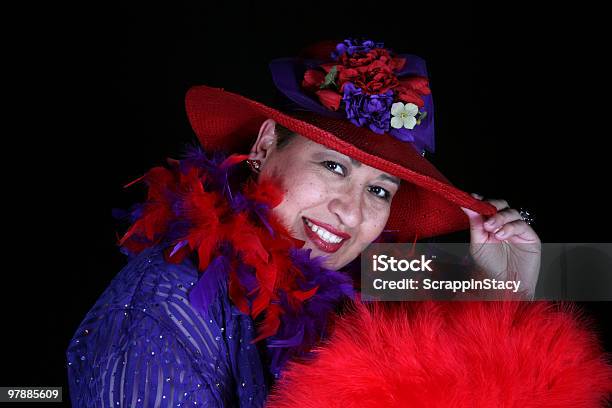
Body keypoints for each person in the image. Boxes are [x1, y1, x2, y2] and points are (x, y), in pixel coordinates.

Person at [66, 39, 609, 407]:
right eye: (332, 165)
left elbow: (589, 274)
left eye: (378, 190)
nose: (351, 212)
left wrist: (501, 296)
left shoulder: (366, 285)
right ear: (262, 146)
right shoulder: (162, 311)